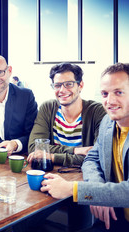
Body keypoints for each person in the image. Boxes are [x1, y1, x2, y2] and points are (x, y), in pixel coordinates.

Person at [41, 63, 129, 231]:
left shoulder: (98, 114)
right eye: (104, 93)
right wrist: (97, 194)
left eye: (119, 92)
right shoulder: (108, 122)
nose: (109, 101)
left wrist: (74, 189)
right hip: (117, 220)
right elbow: (92, 158)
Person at [27, 63, 106, 167]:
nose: (62, 90)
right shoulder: (48, 108)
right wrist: (75, 150)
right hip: (51, 173)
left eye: (69, 84)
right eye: (57, 85)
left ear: (80, 85)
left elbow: (98, 155)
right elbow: (35, 148)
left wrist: (52, 157)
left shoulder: (98, 111)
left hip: (84, 176)